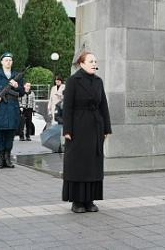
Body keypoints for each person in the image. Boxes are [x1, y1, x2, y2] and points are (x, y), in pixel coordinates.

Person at [62, 52, 112, 213]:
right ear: (81, 63)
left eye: (95, 61)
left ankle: (90, 200)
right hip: (78, 126)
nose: (94, 63)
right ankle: (77, 201)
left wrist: (106, 128)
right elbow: (67, 107)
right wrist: (67, 129)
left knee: (93, 164)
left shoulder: (98, 81)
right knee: (78, 163)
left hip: (96, 126)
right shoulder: (73, 81)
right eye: (90, 61)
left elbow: (103, 105)